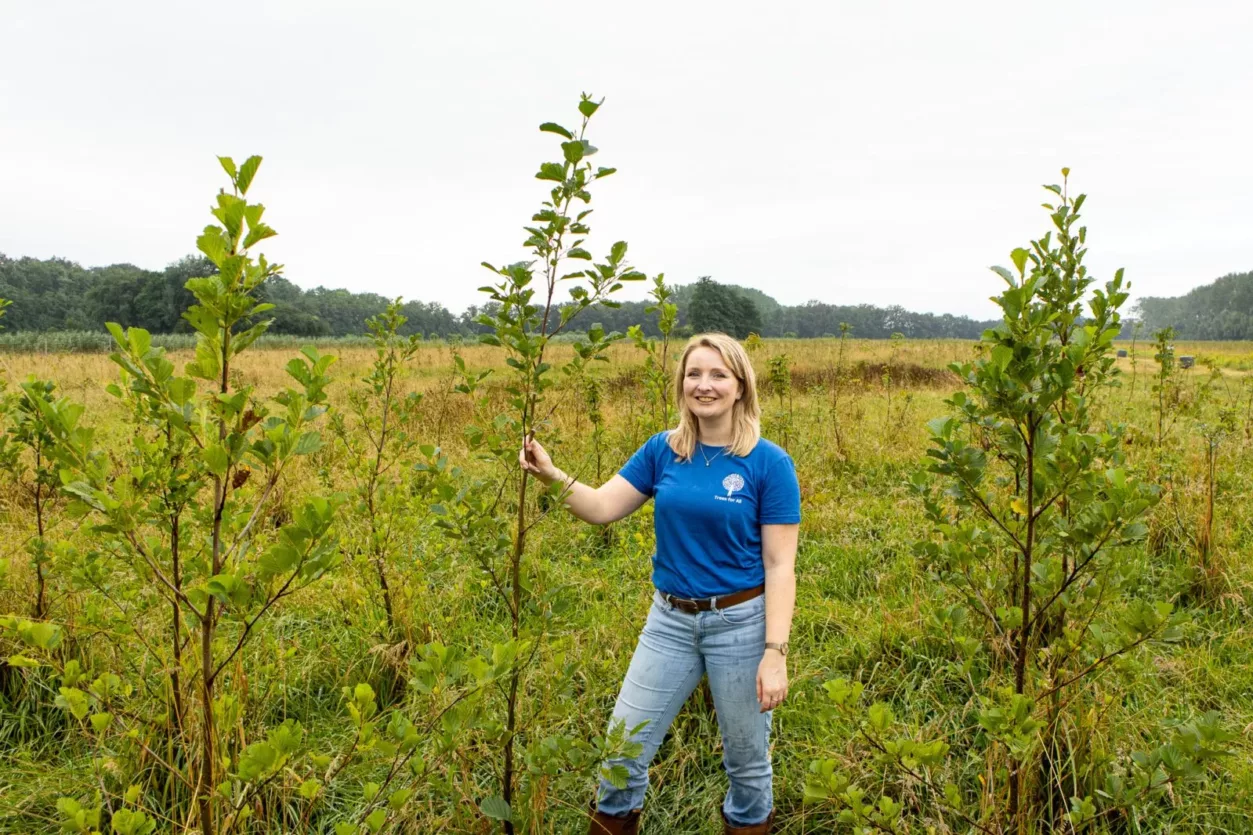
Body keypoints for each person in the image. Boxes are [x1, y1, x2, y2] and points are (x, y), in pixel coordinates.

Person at [519, 333, 800, 835]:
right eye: (694, 374)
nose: (704, 385)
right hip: (668, 622)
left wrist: (774, 652)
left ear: (740, 387)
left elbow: (780, 565)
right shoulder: (663, 451)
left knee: (747, 763)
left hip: (739, 624)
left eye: (718, 375)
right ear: (681, 384)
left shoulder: (768, 463)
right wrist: (552, 475)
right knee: (622, 749)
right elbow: (603, 508)